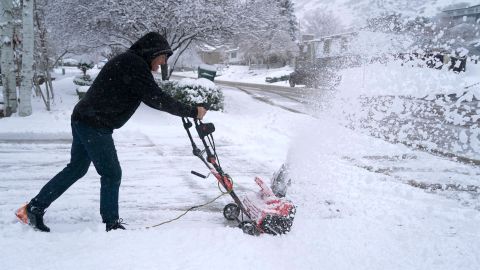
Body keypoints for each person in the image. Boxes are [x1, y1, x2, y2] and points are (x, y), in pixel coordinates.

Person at [15, 32, 207, 232]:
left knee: (77, 169)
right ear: (153, 52)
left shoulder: (131, 62)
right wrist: (192, 111)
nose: (163, 63)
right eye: (163, 57)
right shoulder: (134, 64)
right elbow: (156, 98)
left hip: (85, 118)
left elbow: (154, 95)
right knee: (111, 173)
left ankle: (33, 208)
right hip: (94, 123)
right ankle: (111, 223)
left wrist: (187, 109)